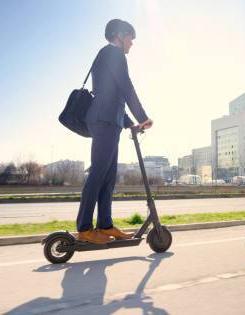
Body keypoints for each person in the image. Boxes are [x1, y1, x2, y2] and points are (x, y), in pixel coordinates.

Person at [76, 19, 153, 244]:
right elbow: (125, 86)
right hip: (104, 122)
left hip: (110, 121)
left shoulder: (108, 55)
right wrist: (143, 117)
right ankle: (84, 229)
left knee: (108, 178)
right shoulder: (113, 53)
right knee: (98, 174)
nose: (132, 43)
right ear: (119, 35)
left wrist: (131, 124)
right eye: (130, 38)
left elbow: (114, 95)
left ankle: (106, 225)